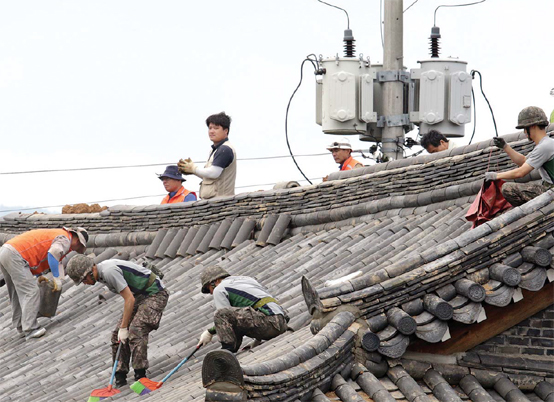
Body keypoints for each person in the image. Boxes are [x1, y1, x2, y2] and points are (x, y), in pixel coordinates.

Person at [66, 255, 169, 387]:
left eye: (84, 279)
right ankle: (120, 376)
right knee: (117, 336)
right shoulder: (102, 274)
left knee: (136, 330)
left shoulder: (108, 272)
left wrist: (124, 327)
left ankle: (140, 375)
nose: (85, 283)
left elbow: (129, 299)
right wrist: (121, 328)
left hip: (155, 293)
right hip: (140, 295)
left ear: (91, 271)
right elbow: (131, 298)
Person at [0, 227, 88, 339]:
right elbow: (52, 255)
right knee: (31, 291)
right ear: (77, 240)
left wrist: (39, 276)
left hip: (6, 251)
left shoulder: (56, 234)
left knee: (16, 293)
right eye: (79, 246)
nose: (76, 249)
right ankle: (30, 328)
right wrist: (56, 277)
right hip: (15, 255)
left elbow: (40, 254)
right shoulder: (65, 239)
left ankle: (21, 326)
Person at [196, 266, 288, 353]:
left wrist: (210, 332)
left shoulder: (219, 288)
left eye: (209, 290)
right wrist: (257, 340)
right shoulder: (247, 279)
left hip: (269, 323)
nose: (211, 293)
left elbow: (224, 318)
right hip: (282, 322)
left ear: (214, 281)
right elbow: (257, 308)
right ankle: (235, 345)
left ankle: (228, 349)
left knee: (221, 314)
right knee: (236, 316)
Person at [485, 106, 553, 206]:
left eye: (525, 128)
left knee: (508, 188)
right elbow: (523, 161)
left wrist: (496, 176)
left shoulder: (544, 147)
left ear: (533, 126)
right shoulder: (546, 144)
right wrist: (505, 147)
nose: (524, 132)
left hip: (551, 192)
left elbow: (521, 172)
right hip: (549, 189)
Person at [178, 112, 236, 199]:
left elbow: (214, 173)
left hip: (221, 202)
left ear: (225, 131)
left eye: (216, 128)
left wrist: (194, 169)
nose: (211, 131)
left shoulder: (225, 149)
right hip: (213, 201)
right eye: (210, 128)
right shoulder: (215, 149)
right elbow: (209, 176)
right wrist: (193, 171)